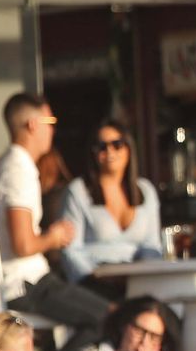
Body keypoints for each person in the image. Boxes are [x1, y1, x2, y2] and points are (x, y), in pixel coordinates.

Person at [0, 93, 110, 351]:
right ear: (33, 124)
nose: (53, 130)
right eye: (50, 122)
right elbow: (23, 244)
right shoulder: (17, 171)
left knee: (101, 313)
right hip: (24, 281)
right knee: (106, 319)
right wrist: (53, 237)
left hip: (25, 278)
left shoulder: (3, 166)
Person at [58, 120, 165, 287]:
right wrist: (96, 280)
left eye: (117, 144)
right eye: (101, 146)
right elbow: (71, 251)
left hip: (139, 281)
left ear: (129, 148)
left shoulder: (145, 190)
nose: (109, 151)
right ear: (93, 153)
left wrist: (141, 276)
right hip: (95, 283)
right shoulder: (78, 191)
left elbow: (152, 246)